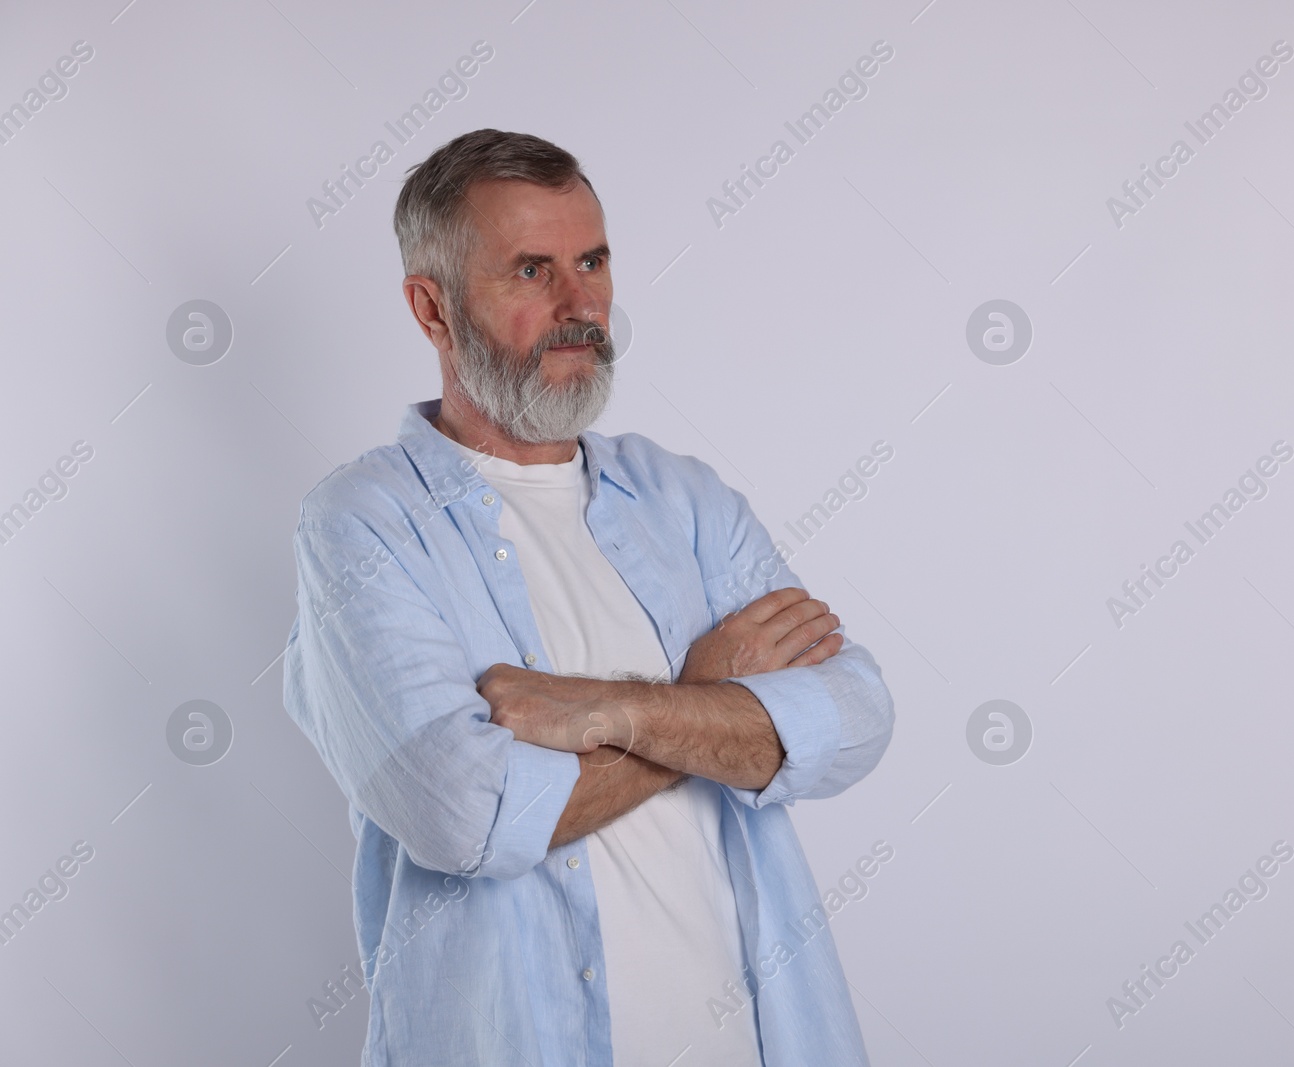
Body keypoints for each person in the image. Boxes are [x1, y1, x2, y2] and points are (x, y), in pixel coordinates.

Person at [281, 128, 895, 1066]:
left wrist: (612, 709)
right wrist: (707, 703)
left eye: (593, 261)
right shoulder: (361, 525)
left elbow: (855, 718)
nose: (581, 305)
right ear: (431, 308)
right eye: (532, 270)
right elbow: (470, 817)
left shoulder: (683, 498)